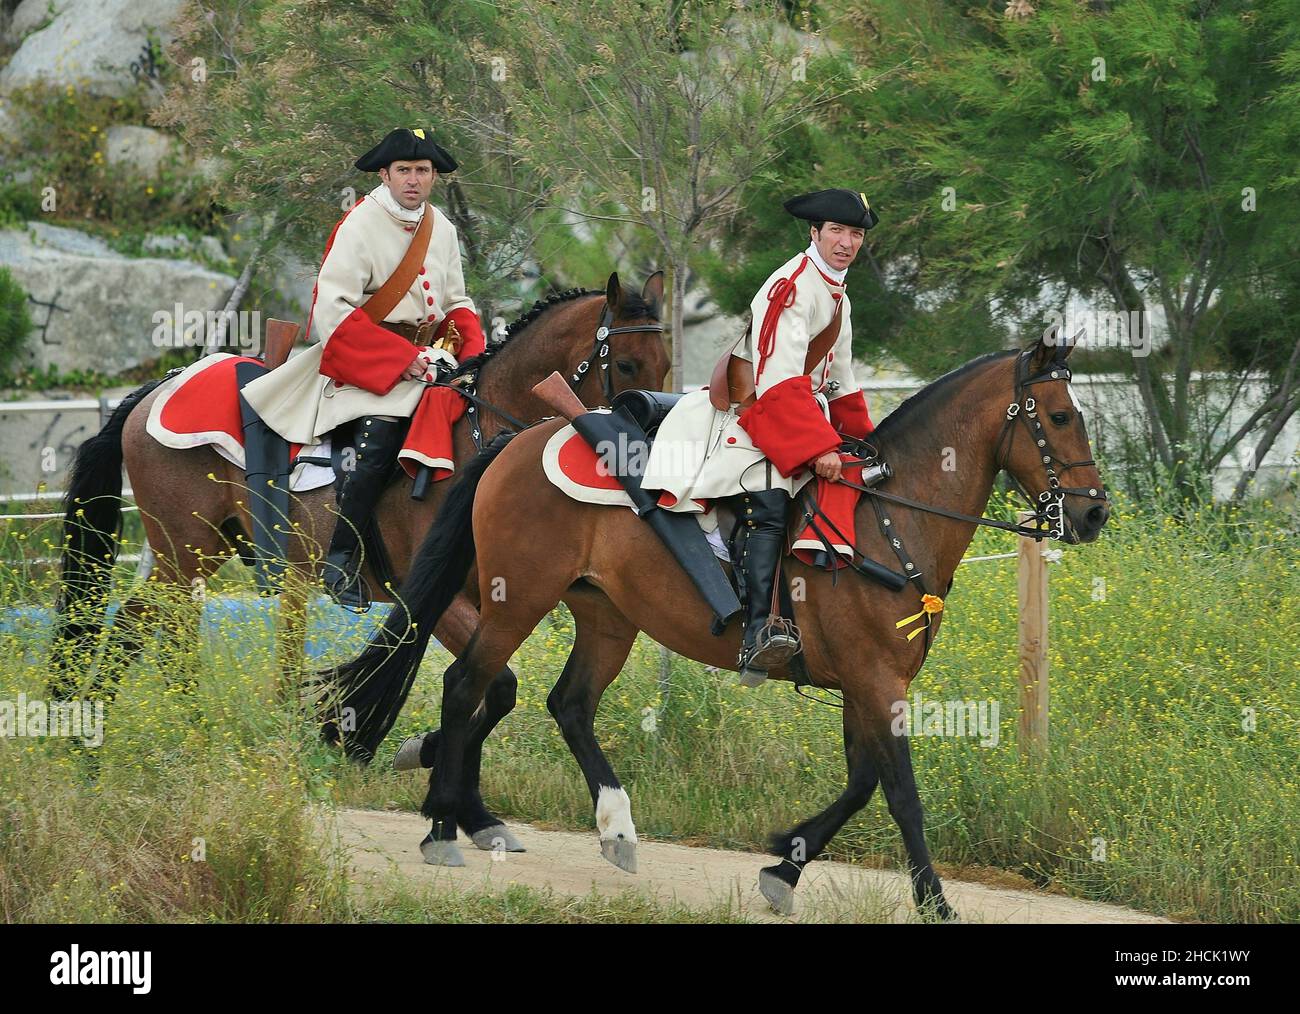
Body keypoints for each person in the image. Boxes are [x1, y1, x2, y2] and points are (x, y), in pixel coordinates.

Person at [240, 128, 487, 611]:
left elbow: (456, 302)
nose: (413, 180)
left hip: (432, 362)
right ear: (384, 174)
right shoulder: (358, 225)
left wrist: (468, 354)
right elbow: (332, 312)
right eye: (403, 171)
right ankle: (341, 555)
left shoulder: (444, 228)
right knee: (382, 434)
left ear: (433, 176)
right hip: (363, 364)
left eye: (422, 171)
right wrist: (401, 360)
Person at [641, 188, 877, 684]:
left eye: (855, 233)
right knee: (767, 497)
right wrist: (819, 450)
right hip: (754, 409)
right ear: (815, 233)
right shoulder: (789, 286)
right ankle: (758, 632)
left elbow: (844, 382)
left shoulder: (839, 294)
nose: (847, 242)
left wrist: (865, 443)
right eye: (837, 231)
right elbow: (777, 382)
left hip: (796, 411)